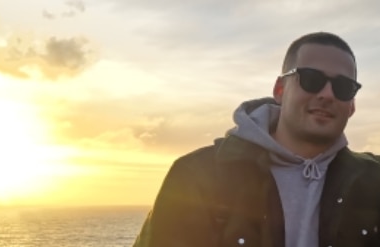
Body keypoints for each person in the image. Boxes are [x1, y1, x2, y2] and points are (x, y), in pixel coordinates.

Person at [132, 31, 380, 247]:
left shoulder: (374, 182)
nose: (327, 94)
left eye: (343, 87)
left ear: (352, 106)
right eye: (311, 79)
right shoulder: (197, 177)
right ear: (280, 90)